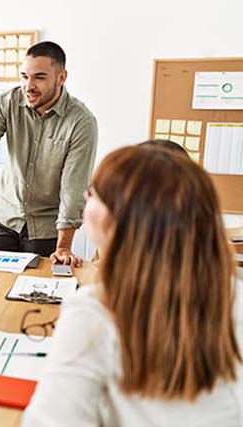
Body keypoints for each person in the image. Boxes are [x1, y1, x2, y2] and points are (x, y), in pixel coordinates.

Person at [22, 144, 243, 426]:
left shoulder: (96, 313)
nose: (85, 197)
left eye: (93, 192)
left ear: (119, 218)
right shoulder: (234, 294)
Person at [0, 41, 97, 266]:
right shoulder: (9, 101)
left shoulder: (81, 122)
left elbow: (73, 189)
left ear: (61, 78)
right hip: (4, 218)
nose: (29, 86)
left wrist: (64, 246)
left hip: (46, 229)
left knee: (38, 294)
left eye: (39, 77)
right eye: (24, 76)